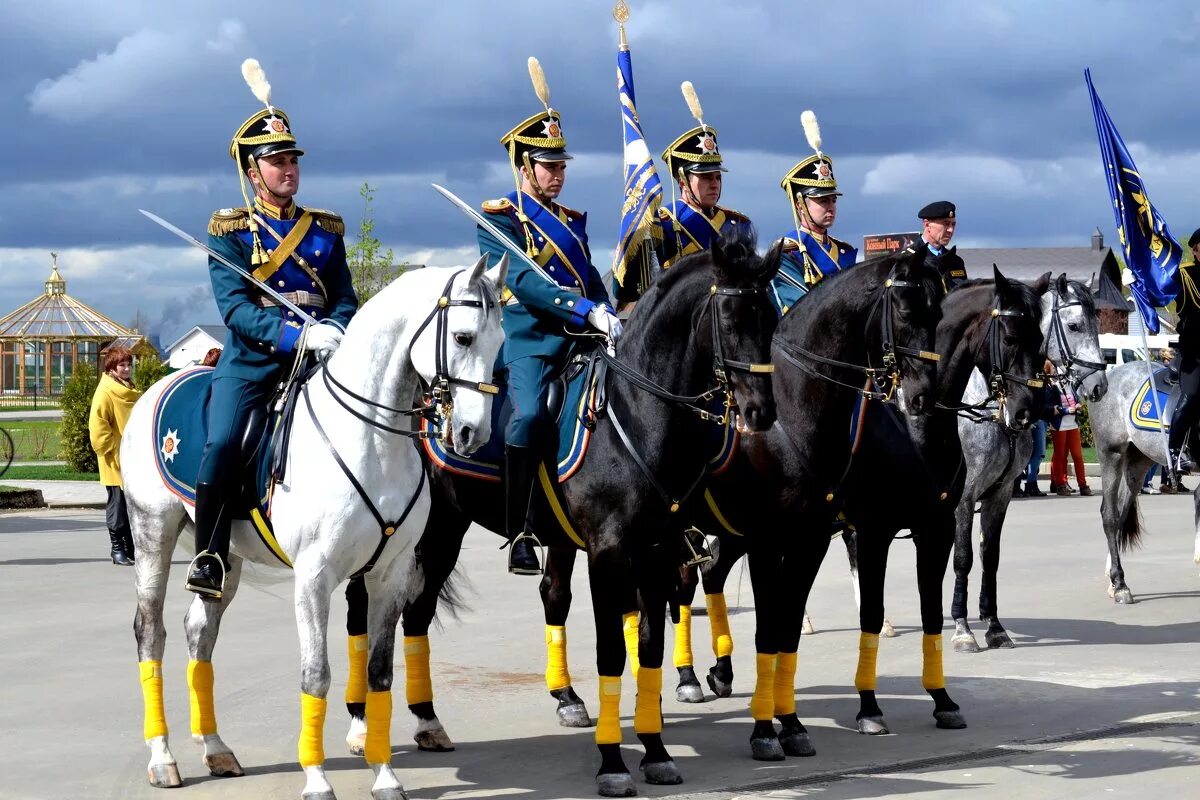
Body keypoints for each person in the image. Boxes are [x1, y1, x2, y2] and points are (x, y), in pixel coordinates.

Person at [186, 60, 358, 599]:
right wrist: (295, 336)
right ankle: (210, 553)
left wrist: (334, 328)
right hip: (255, 363)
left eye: (292, 160)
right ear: (253, 172)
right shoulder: (231, 232)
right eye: (276, 161)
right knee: (222, 444)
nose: (289, 169)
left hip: (318, 361)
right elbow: (236, 310)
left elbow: (345, 296)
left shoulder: (323, 231)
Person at [479, 58, 618, 575]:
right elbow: (523, 282)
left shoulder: (571, 222)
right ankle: (519, 530)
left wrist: (608, 310)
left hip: (582, 338)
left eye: (562, 166)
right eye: (548, 166)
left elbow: (589, 278)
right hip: (530, 339)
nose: (557, 175)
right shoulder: (499, 218)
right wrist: (582, 309)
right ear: (524, 167)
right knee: (531, 415)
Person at [612, 82, 752, 310]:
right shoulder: (664, 224)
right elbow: (630, 288)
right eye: (706, 177)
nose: (714, 183)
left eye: (717, 177)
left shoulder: (738, 225)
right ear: (683, 179)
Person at [771, 110, 857, 315]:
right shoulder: (788, 252)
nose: (830, 206)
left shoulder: (842, 251)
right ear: (800, 204)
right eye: (822, 200)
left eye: (833, 200)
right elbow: (799, 310)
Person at [89, 346, 143, 565]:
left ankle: (130, 548)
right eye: (121, 365)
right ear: (111, 368)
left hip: (134, 457)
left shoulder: (130, 389)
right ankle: (117, 548)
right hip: (115, 459)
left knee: (133, 505)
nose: (127, 369)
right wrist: (114, 450)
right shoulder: (105, 392)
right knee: (117, 506)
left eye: (129, 364)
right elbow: (97, 427)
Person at [1166, 229, 1200, 475]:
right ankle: (1176, 452)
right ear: (1195, 250)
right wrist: (1138, 279)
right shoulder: (1185, 275)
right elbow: (1161, 288)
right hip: (1195, 356)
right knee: (1191, 396)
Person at [914, 201, 968, 294]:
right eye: (946, 224)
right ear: (927, 225)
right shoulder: (910, 259)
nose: (950, 230)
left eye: (953, 224)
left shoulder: (956, 261)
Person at [1049, 380, 1092, 496]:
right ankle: (1060, 485)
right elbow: (1051, 406)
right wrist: (1066, 410)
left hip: (1073, 424)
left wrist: (1078, 405)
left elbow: (1076, 399)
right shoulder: (1054, 387)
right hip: (1059, 425)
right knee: (1060, 455)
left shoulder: (1071, 386)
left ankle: (1083, 485)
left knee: (1077, 455)